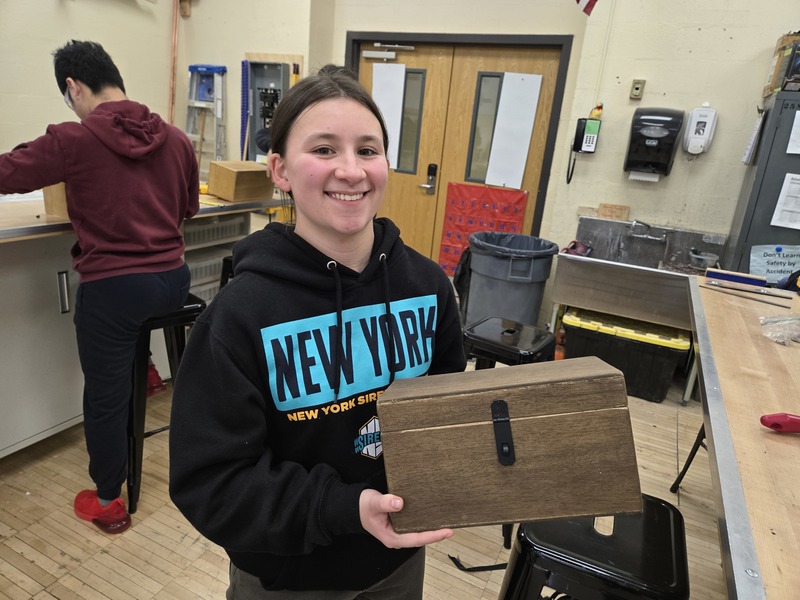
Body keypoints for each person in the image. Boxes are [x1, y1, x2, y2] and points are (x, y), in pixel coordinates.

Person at [168, 64, 467, 598]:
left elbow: (444, 421)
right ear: (280, 170)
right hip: (290, 576)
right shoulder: (238, 317)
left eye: (368, 150)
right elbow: (211, 483)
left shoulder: (428, 287)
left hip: (399, 562)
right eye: (324, 149)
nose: (351, 170)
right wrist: (344, 507)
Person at [0, 40, 199, 534]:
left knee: (105, 397)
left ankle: (108, 501)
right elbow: (188, 208)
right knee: (135, 320)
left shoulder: (73, 139)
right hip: (174, 282)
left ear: (73, 86)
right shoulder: (177, 140)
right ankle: (146, 369)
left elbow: (7, 174)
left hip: (115, 290)